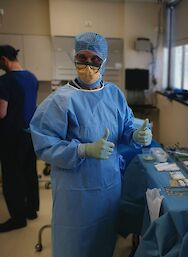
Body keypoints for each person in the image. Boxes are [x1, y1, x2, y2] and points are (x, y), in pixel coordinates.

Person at [30, 32, 152, 257]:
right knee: (75, 245)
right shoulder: (60, 100)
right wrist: (82, 150)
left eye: (95, 59)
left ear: (104, 61)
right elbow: (44, 144)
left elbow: (126, 127)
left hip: (108, 186)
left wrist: (136, 135)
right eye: (82, 57)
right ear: (74, 58)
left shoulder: (114, 95)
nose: (88, 64)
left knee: (104, 241)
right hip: (75, 190)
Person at [0, 45, 39, 232]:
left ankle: (18, 218)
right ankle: (31, 210)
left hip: (11, 137)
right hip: (29, 134)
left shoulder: (4, 81)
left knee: (12, 177)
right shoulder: (32, 77)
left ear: (4, 60)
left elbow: (2, 112)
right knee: (29, 172)